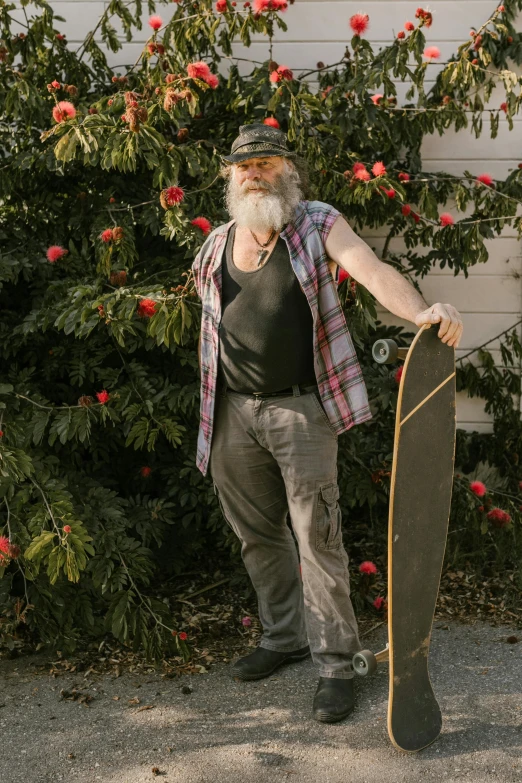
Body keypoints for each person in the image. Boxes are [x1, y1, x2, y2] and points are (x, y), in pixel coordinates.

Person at [191, 123, 463, 723]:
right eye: (245, 166)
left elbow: (369, 269)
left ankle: (337, 665)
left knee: (318, 539)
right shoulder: (215, 243)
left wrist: (423, 312)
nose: (255, 172)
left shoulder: (315, 222)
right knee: (258, 535)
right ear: (229, 177)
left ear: (288, 170)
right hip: (231, 411)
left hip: (301, 410)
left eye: (266, 162)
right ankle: (282, 637)